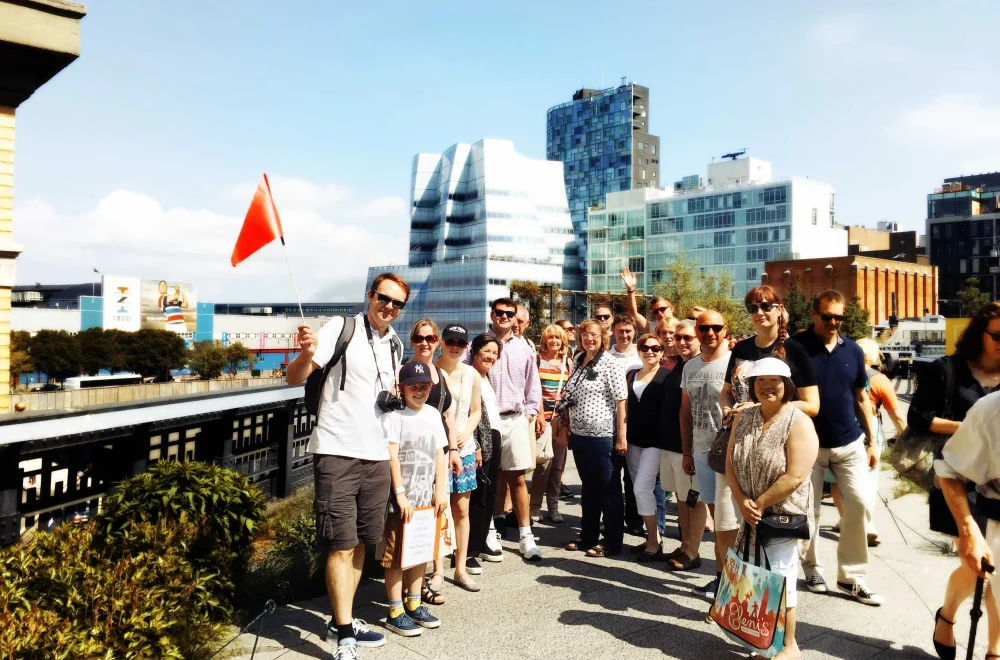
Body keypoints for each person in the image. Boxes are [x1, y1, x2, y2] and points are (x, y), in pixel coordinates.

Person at [287, 272, 408, 657]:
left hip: (376, 456)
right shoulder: (342, 327)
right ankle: (344, 636)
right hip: (338, 451)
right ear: (370, 296)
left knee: (360, 543)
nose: (388, 307)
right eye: (383, 298)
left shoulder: (395, 346)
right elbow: (294, 378)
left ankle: (344, 619)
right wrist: (306, 353)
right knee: (341, 544)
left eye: (397, 304)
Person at [915, 303, 1000, 656]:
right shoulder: (946, 369)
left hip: (994, 482)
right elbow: (918, 417)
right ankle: (948, 616)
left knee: (992, 568)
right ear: (979, 333)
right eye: (997, 335)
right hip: (956, 473)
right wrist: (970, 429)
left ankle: (994, 650)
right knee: (976, 562)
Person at [788, 289, 882, 606]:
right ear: (814, 314)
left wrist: (872, 440)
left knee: (858, 504)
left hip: (849, 441)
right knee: (809, 513)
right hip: (808, 444)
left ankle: (852, 578)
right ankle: (812, 569)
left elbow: (861, 398)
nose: (833, 323)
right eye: (827, 316)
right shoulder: (796, 348)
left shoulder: (853, 351)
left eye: (839, 317)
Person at [726, 357, 820, 660]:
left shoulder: (798, 421)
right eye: (760, 381)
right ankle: (765, 641)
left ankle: (790, 646)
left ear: (787, 385)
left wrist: (759, 504)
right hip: (749, 512)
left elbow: (796, 475)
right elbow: (729, 462)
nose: (767, 386)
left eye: (774, 380)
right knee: (757, 577)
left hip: (782, 515)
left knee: (781, 580)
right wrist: (741, 500)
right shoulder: (744, 416)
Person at [378, 360, 449, 637]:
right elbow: (392, 455)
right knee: (395, 555)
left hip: (426, 499)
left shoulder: (432, 414)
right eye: (413, 386)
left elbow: (439, 453)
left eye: (425, 386)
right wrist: (400, 494)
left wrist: (440, 488)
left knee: (420, 550)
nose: (419, 391)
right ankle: (395, 609)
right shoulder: (395, 416)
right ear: (402, 388)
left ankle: (414, 600)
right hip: (401, 500)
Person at [935, 391, 1000, 660]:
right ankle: (947, 614)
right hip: (982, 497)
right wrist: (968, 528)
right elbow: (949, 469)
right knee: (976, 572)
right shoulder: (992, 408)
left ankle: (994, 651)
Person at [675, 310, 732, 600]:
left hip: (730, 454)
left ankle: (735, 583)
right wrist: (687, 452)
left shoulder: (735, 363)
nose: (709, 332)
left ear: (725, 330)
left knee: (730, 522)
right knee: (715, 517)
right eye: (704, 328)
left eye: (716, 327)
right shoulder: (690, 367)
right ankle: (722, 580)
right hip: (700, 451)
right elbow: (685, 411)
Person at [562, 319, 628, 557]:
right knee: (588, 488)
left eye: (594, 335)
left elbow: (621, 400)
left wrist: (621, 436)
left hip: (603, 436)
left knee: (608, 489)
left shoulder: (611, 363)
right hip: (579, 435)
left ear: (602, 338)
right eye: (585, 335)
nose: (589, 339)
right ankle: (587, 535)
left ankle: (612, 541)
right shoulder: (578, 361)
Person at [483, 298, 543, 561]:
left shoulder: (525, 349)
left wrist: (530, 413)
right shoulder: (481, 344)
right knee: (489, 478)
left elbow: (533, 384)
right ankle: (490, 529)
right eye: (500, 312)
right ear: (493, 314)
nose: (505, 317)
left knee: (517, 478)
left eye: (510, 313)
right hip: (487, 420)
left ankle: (525, 535)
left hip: (515, 417)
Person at [409, 320, 462, 603]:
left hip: (438, 454)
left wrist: (453, 449)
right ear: (412, 340)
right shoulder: (405, 371)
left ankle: (433, 570)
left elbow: (448, 415)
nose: (425, 343)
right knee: (416, 516)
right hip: (415, 455)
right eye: (419, 338)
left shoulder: (439, 373)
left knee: (437, 511)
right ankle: (415, 586)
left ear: (438, 340)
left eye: (430, 338)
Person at [718, 285, 819, 421]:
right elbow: (726, 392)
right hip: (740, 430)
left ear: (780, 310)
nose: (759, 312)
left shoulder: (795, 350)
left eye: (766, 306)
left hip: (778, 431)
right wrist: (726, 409)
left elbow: (812, 406)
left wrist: (757, 407)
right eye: (753, 308)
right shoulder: (741, 348)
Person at [843, 337, 907, 547]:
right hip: (869, 434)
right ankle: (867, 524)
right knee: (868, 481)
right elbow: (896, 414)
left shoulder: (843, 372)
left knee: (843, 481)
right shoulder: (879, 379)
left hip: (844, 432)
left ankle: (845, 518)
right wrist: (906, 437)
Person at [435, 324, 483, 592]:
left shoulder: (471, 374)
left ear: (466, 347)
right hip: (438, 450)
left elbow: (476, 410)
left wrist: (466, 433)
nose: (454, 346)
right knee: (438, 510)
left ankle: (461, 567)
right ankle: (438, 569)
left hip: (463, 449)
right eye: (450, 341)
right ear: (442, 342)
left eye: (460, 343)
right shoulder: (431, 370)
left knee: (461, 509)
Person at [660, 320, 706, 565]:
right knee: (681, 497)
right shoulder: (679, 365)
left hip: (689, 447)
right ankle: (685, 545)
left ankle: (693, 552)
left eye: (687, 337)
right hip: (669, 444)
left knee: (694, 500)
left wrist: (690, 449)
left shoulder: (701, 366)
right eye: (678, 337)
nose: (681, 342)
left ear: (698, 338)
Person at [625, 332, 671, 560]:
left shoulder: (667, 376)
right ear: (638, 350)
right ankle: (653, 538)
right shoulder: (631, 374)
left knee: (642, 489)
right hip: (632, 441)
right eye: (645, 347)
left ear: (662, 352)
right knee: (641, 491)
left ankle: (654, 541)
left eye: (655, 348)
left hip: (656, 442)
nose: (650, 351)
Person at [466, 333, 504, 566]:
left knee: (490, 493)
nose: (490, 356)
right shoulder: (469, 376)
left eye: (494, 353)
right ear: (475, 351)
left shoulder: (487, 377)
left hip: (494, 436)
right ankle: (469, 550)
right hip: (480, 440)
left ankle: (481, 543)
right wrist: (476, 445)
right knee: (477, 495)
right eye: (486, 351)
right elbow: (468, 414)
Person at [530, 323, 572, 523]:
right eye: (551, 338)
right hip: (542, 419)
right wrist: (538, 414)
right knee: (542, 464)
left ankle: (553, 506)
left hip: (561, 419)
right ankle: (535, 506)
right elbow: (533, 389)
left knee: (557, 466)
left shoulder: (568, 363)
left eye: (558, 338)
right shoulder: (538, 360)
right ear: (544, 340)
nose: (554, 341)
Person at [608, 313, 643, 534]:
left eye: (628, 331)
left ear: (634, 332)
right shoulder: (606, 357)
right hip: (609, 423)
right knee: (611, 476)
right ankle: (612, 519)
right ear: (613, 332)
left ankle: (635, 520)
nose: (624, 335)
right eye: (620, 331)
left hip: (636, 423)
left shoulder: (642, 358)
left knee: (633, 477)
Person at [620, 266, 674, 333]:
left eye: (662, 309)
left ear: (672, 308)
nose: (659, 313)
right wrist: (630, 290)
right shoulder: (653, 328)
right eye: (656, 311)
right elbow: (634, 314)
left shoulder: (684, 327)